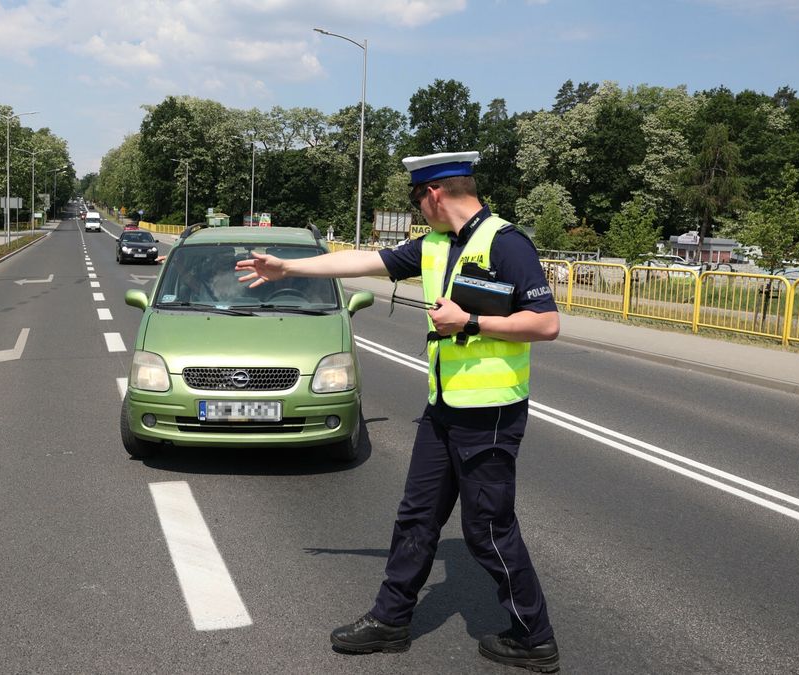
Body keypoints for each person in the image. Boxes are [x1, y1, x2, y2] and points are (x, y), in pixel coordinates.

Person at [236, 151, 562, 672]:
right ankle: (391, 620)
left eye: (416, 200)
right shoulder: (436, 245)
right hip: (443, 407)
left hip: (491, 412)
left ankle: (533, 636)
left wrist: (471, 323)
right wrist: (287, 267)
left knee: (488, 530)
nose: (416, 211)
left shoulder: (507, 243)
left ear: (434, 194)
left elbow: (546, 324)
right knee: (417, 515)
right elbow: (363, 261)